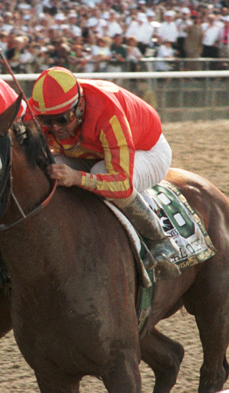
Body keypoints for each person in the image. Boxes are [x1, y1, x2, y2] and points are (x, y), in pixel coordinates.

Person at [29, 66, 181, 280]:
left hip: (147, 150)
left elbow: (121, 184)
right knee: (49, 167)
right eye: (47, 121)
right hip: (94, 150)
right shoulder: (45, 109)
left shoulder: (108, 114)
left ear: (80, 105)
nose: (55, 128)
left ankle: (160, 240)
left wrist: (76, 177)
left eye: (62, 119)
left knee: (101, 172)